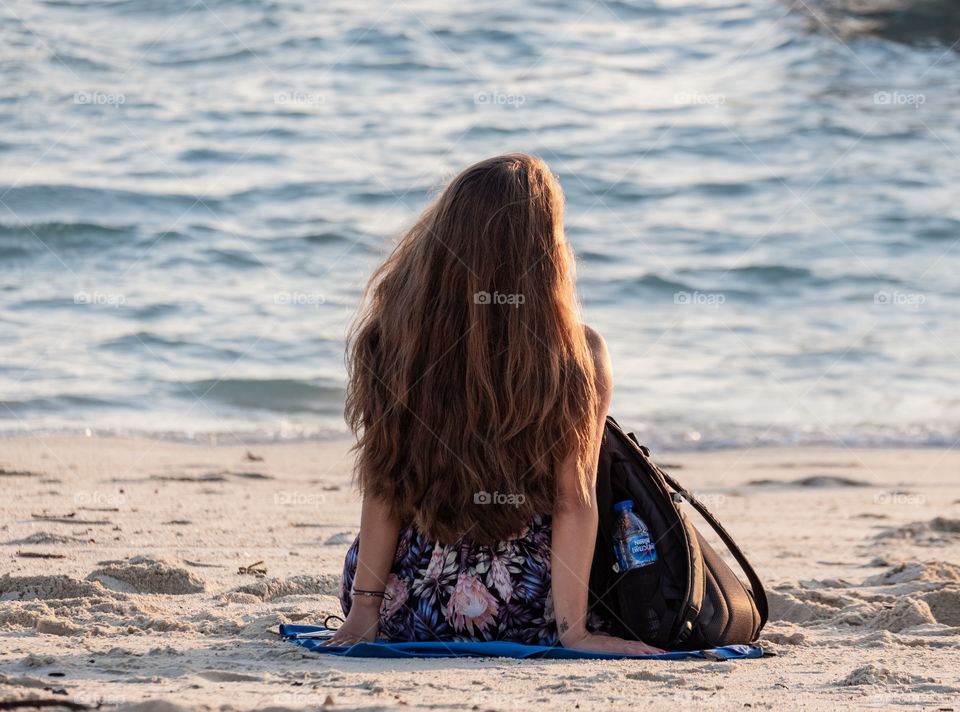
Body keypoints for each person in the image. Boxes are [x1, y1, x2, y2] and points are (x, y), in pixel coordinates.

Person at [324, 153, 662, 654]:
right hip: (521, 605)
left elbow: (384, 485)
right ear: (542, 252)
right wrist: (574, 632)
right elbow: (576, 500)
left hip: (407, 601)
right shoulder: (578, 353)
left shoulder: (391, 340)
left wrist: (363, 612)